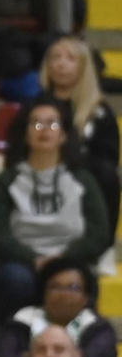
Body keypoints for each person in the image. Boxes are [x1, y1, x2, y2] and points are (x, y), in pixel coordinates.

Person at [0, 96, 110, 318]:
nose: (44, 130)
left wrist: (64, 258)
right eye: (36, 123)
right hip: (22, 263)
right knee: (14, 279)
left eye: (52, 123)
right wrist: (33, 259)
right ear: (25, 134)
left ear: (64, 135)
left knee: (77, 281)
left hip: (70, 259)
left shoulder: (83, 179)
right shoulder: (6, 180)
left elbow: (99, 233)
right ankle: (12, 334)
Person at [0, 257, 117, 357]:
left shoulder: (98, 327)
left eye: (73, 288)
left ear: (85, 298)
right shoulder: (22, 320)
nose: (63, 294)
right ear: (43, 293)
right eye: (55, 287)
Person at [40, 36, 120, 232]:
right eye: (55, 57)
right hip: (39, 174)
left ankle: (100, 239)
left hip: (83, 179)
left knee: (107, 174)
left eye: (70, 58)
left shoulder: (100, 113)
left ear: (84, 67)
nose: (61, 64)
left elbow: (108, 158)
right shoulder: (35, 108)